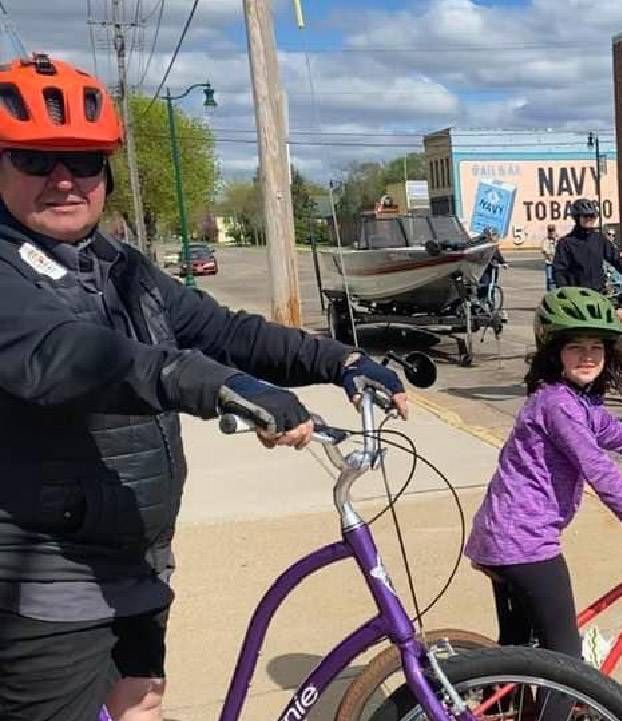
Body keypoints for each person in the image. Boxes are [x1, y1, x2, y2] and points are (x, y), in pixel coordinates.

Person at [0, 54, 408, 721]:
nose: (65, 179)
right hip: (49, 590)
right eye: (36, 159)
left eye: (85, 159)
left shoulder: (115, 265)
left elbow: (220, 329)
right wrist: (217, 386)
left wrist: (340, 359)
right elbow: (75, 355)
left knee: (140, 709)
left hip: (136, 560)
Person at [465, 288, 622, 664]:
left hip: (505, 535)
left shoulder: (574, 399)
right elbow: (599, 469)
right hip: (524, 543)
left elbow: (615, 433)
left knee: (520, 648)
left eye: (596, 348)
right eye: (575, 347)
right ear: (555, 354)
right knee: (565, 658)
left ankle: (505, 700)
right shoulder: (559, 404)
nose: (587, 356)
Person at [551, 198, 622, 294]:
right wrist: (566, 292)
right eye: (585, 216)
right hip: (576, 296)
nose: (589, 219)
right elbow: (559, 271)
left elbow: (618, 260)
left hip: (598, 294)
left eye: (592, 216)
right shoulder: (566, 243)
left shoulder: (599, 239)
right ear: (577, 218)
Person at [540, 223, 558, 290]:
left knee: (556, 278)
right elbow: (543, 250)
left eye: (552, 230)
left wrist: (555, 240)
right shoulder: (545, 240)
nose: (551, 232)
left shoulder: (558, 239)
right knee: (549, 278)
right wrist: (548, 255)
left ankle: (554, 291)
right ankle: (550, 292)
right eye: (550, 230)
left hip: (557, 262)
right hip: (549, 263)